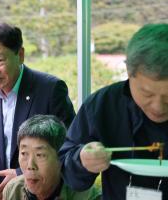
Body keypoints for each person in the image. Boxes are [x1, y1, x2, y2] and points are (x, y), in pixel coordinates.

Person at [0, 23, 75, 200]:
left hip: (42, 194)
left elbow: (70, 145)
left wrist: (21, 173)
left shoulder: (50, 89)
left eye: (0, 60)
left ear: (20, 55)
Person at [59, 23, 168, 199]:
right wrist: (82, 160)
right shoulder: (103, 105)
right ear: (128, 72)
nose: (158, 107)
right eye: (147, 93)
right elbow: (67, 170)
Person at [3, 115, 101, 200]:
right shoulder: (13, 190)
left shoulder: (88, 196)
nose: (30, 166)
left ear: (61, 158)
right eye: (24, 153)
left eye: (40, 155)